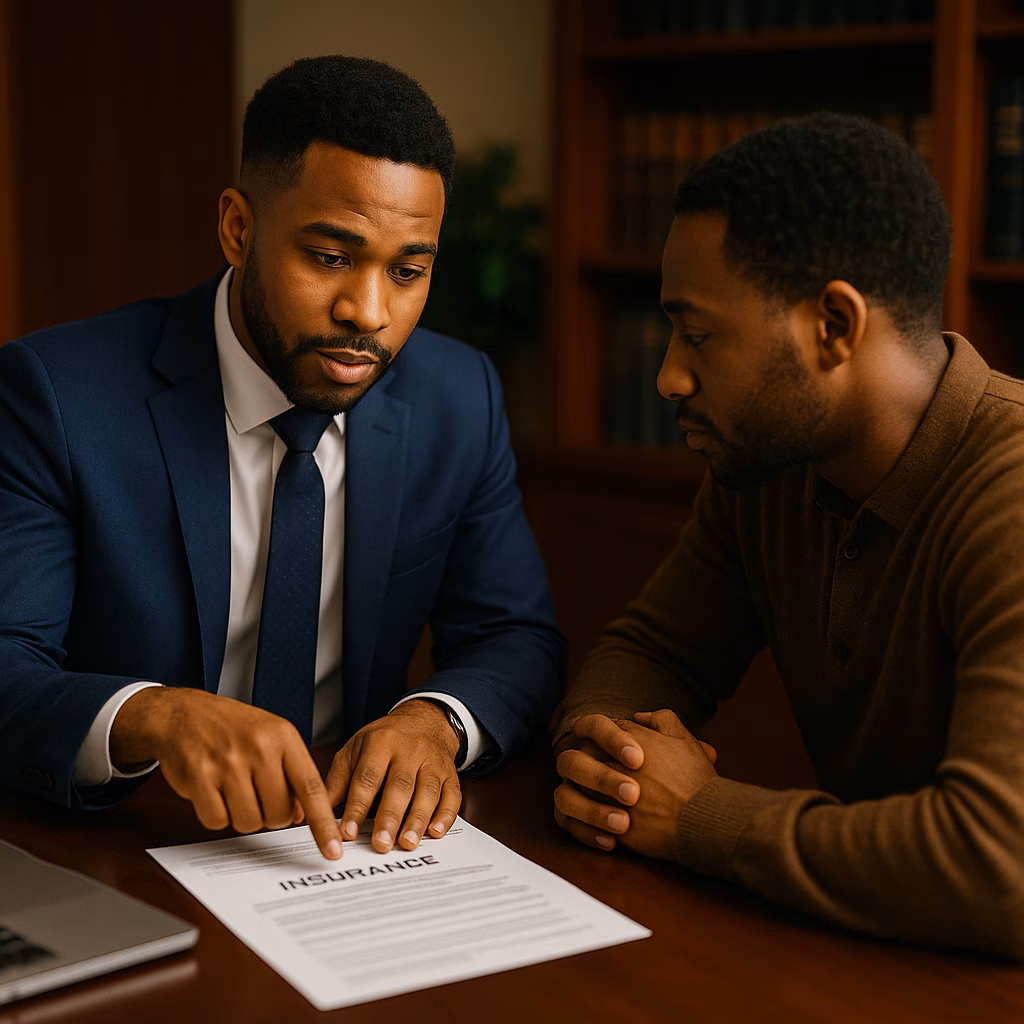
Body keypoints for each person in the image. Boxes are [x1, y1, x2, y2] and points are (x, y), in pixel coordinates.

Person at [0, 55, 564, 863]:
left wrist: (432, 719)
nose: (368, 313)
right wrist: (154, 716)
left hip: (359, 858)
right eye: (331, 257)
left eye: (408, 271)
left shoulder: (457, 395)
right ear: (237, 227)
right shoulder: (57, 395)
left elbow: (517, 636)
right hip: (130, 848)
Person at [552, 112, 1024, 959]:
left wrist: (700, 816)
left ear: (834, 327)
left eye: (698, 334)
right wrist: (617, 766)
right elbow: (650, 650)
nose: (668, 375)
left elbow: (1002, 864)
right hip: (877, 957)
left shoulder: (1012, 496)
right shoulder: (771, 465)